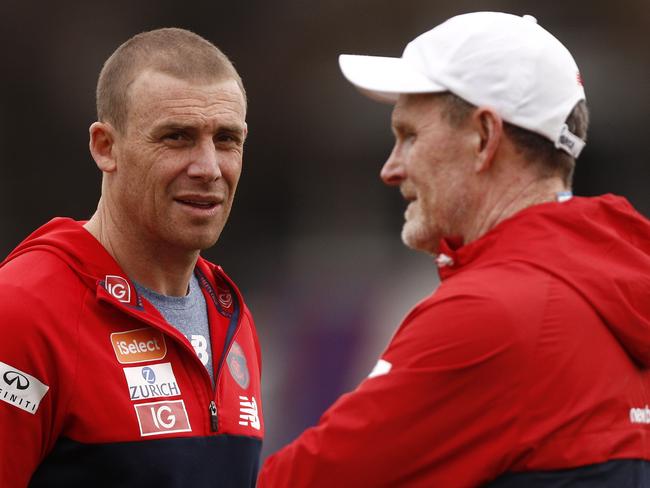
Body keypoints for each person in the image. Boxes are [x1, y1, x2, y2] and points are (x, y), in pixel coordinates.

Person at [258, 11, 650, 487]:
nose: (390, 168)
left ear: (484, 138)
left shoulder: (493, 314)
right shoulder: (613, 290)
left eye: (409, 136)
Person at [0, 28, 263, 487]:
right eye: (176, 137)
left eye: (226, 139)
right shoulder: (21, 311)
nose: (208, 168)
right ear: (106, 147)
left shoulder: (231, 317)